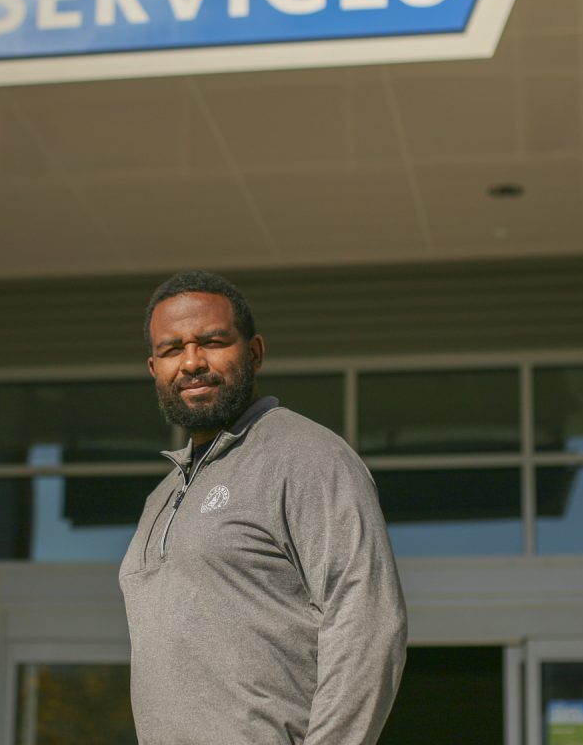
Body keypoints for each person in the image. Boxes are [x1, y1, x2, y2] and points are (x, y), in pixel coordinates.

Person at [120, 270, 407, 744]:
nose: (191, 362)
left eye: (212, 341)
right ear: (155, 369)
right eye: (172, 349)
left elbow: (368, 626)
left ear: (253, 353)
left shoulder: (307, 456)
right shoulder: (162, 496)